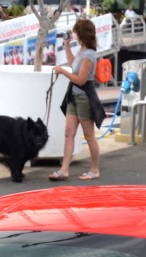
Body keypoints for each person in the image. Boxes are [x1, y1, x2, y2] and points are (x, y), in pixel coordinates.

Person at [49, 18, 102, 181]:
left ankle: (94, 169)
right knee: (68, 133)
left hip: (84, 98)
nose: (76, 35)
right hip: (74, 97)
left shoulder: (89, 55)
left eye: (77, 33)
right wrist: (66, 44)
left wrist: (62, 72)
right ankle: (64, 169)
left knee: (88, 135)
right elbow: (73, 64)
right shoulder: (82, 51)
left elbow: (80, 80)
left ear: (82, 34)